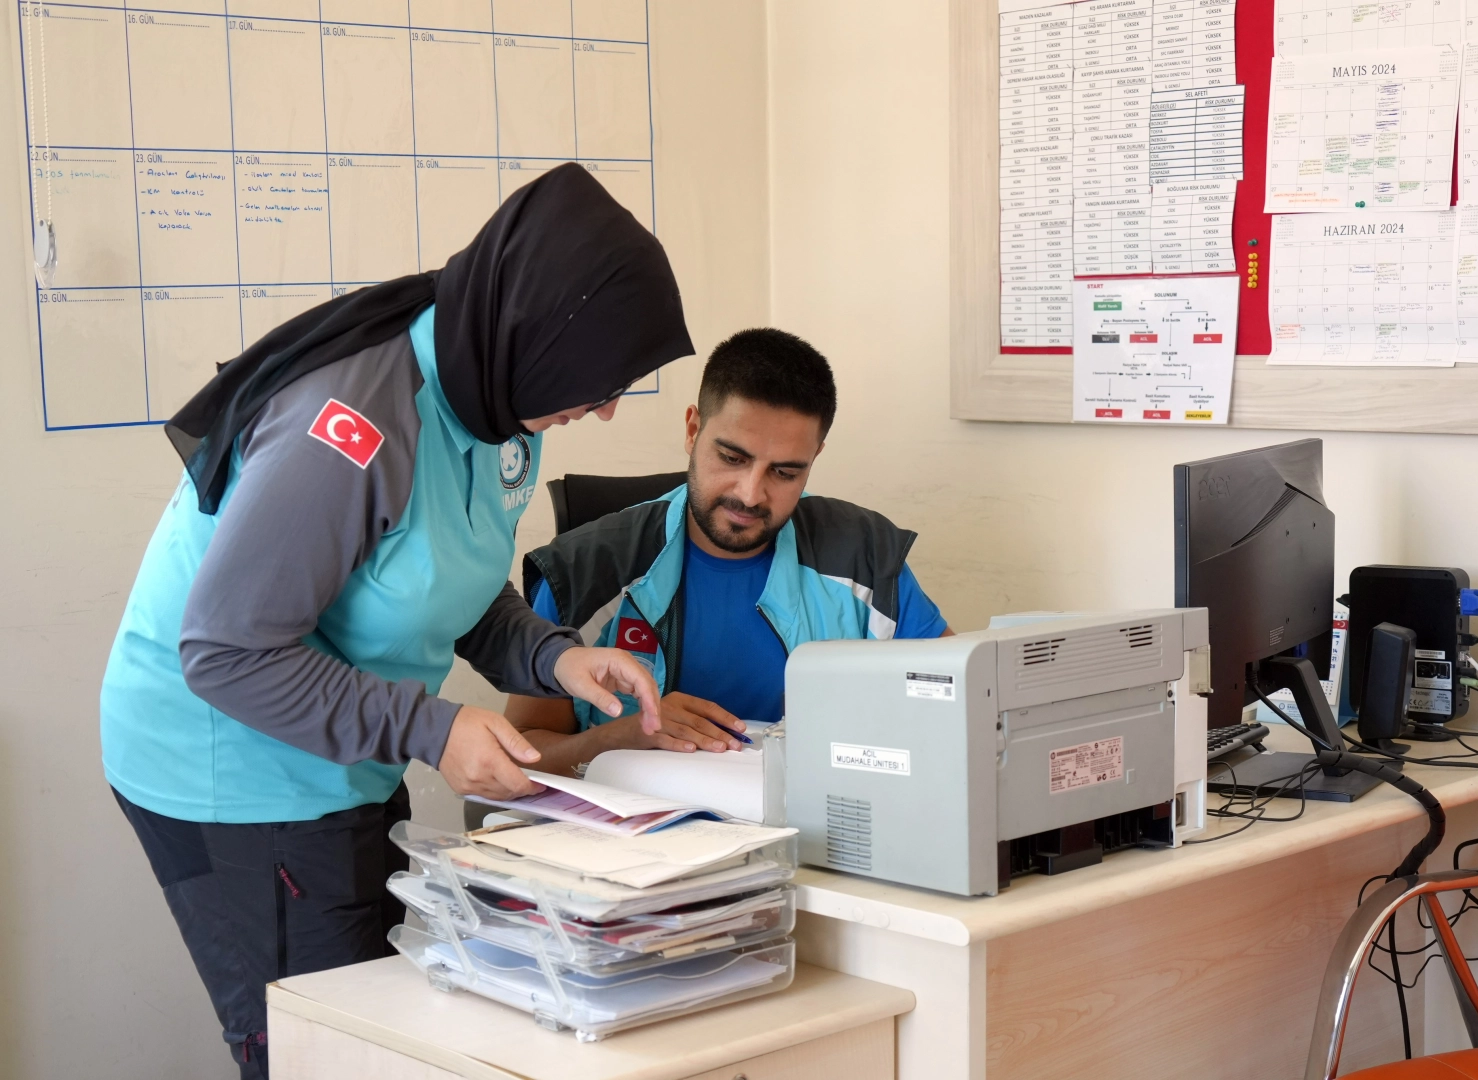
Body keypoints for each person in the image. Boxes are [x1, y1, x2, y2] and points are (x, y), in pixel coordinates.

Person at [100, 164, 686, 1080]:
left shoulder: (503, 398)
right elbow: (225, 652)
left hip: (343, 753)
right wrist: (432, 726)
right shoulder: (348, 426)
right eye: (599, 381)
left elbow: (436, 583)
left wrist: (558, 660)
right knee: (322, 1049)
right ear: (536, 336)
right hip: (228, 765)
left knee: (384, 1027)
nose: (605, 408)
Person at [503, 328, 951, 772]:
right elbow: (521, 755)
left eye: (785, 472)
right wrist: (622, 737)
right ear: (693, 429)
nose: (752, 494)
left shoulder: (864, 556)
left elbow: (960, 704)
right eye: (733, 458)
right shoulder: (588, 570)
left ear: (814, 460)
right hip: (631, 836)